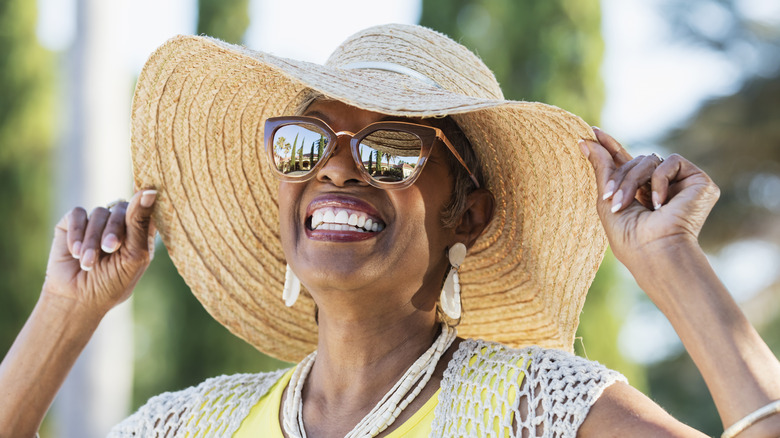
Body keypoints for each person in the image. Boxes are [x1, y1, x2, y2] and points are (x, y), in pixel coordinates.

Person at [1, 23, 779, 438]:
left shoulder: (538, 411)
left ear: (466, 212)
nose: (337, 171)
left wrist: (672, 262)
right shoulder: (191, 424)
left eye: (390, 149)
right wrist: (64, 317)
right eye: (307, 142)